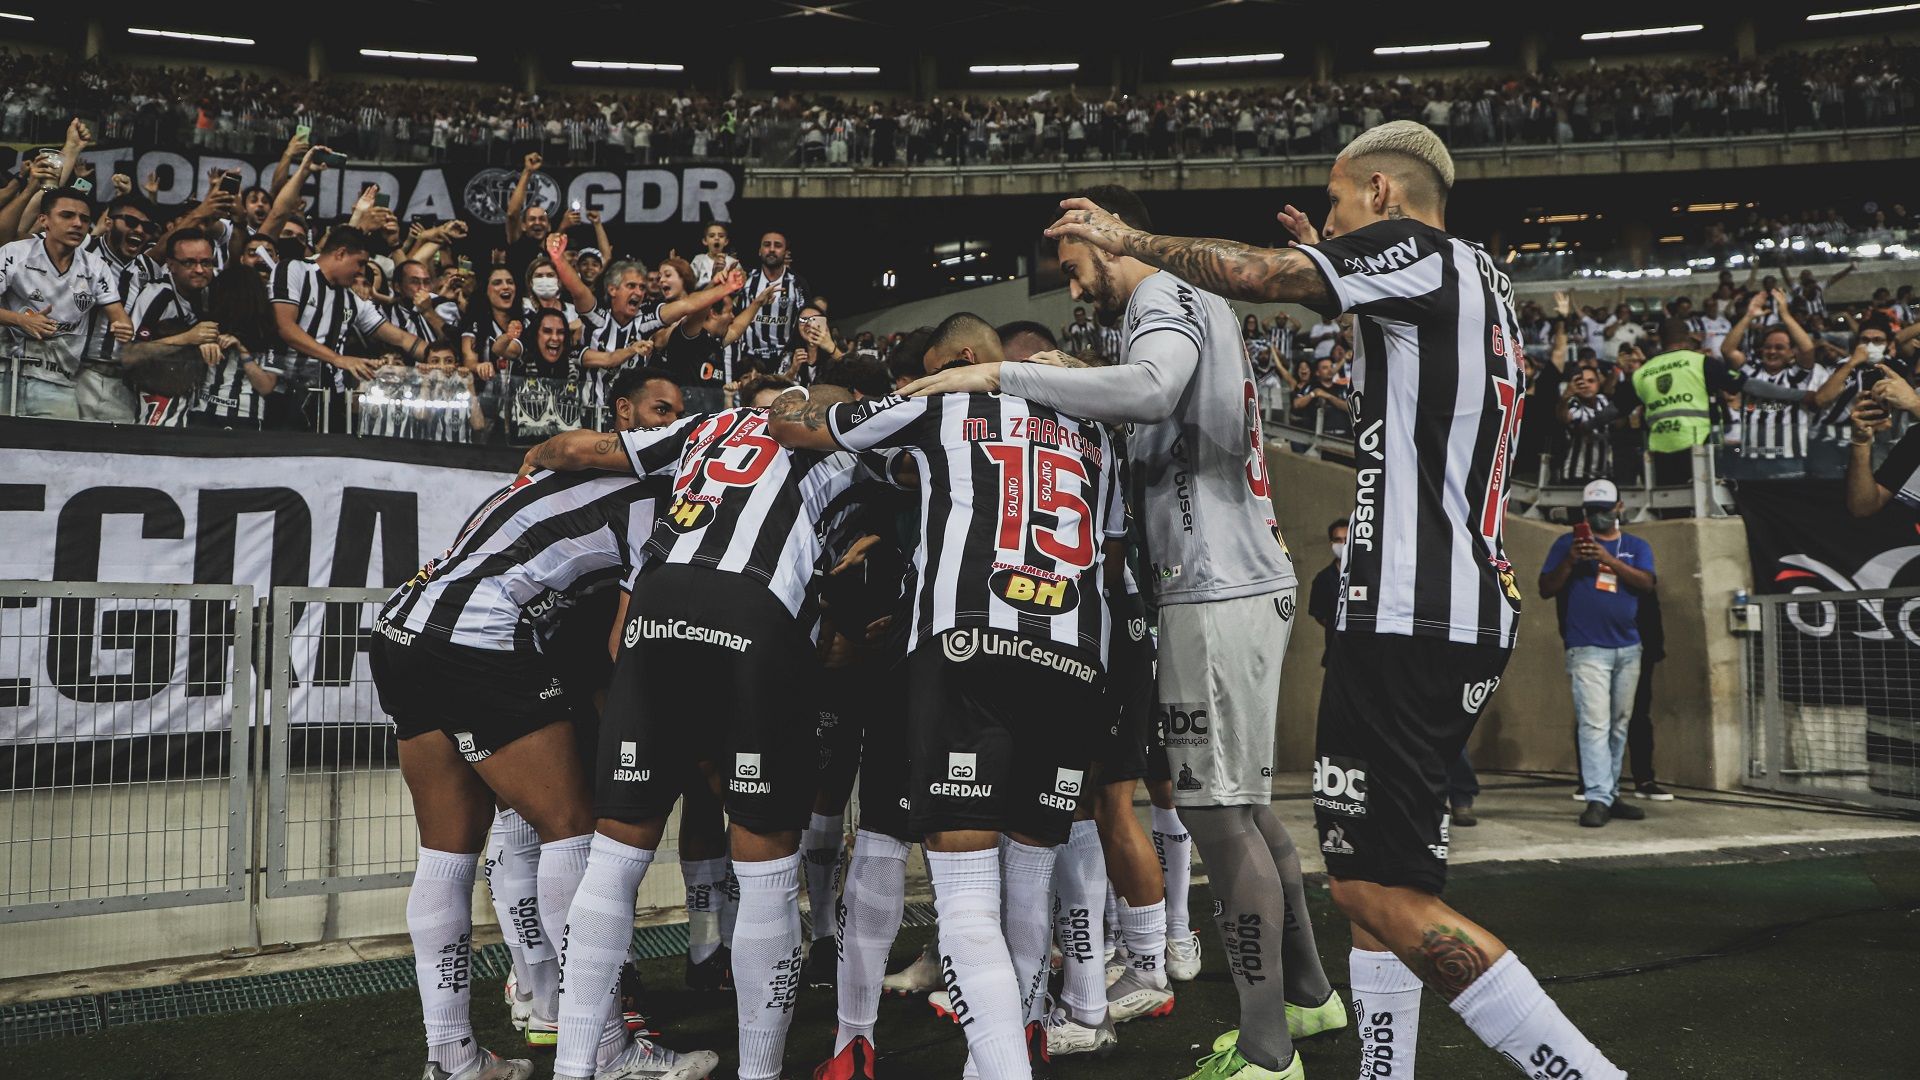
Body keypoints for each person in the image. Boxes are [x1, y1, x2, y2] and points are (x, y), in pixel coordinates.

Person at [1035, 121, 1627, 1080]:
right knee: (1374, 881)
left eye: (1341, 203)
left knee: (1373, 893)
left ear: (1384, 195)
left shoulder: (1420, 252)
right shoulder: (1474, 275)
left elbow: (1262, 276)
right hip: (1440, 602)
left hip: (1410, 609)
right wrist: (1334, 266)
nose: (1334, 221)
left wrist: (1126, 236)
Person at [908, 183, 1337, 1080]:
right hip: (1229, 579)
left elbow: (1150, 390)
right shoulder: (1181, 304)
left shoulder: (1163, 294)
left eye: (1073, 267)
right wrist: (1069, 376)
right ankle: (1309, 995)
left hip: (1213, 586)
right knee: (1247, 810)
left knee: (1217, 819)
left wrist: (999, 375)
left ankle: (1267, 1051)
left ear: (1109, 237)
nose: (1073, 290)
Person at [768, 311, 1127, 1080]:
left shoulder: (945, 403)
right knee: (1028, 880)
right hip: (1075, 655)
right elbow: (1110, 545)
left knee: (954, 889)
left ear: (962, 360)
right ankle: (1021, 1033)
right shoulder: (1096, 431)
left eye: (928, 369)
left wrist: (794, 396)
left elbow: (804, 426)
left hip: (965, 648)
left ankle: (898, 1047)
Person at [519, 377, 884, 1080]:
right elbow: (874, 552)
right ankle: (759, 1072)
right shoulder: (846, 443)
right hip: (751, 609)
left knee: (614, 855)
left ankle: (573, 1068)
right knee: (766, 864)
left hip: (656, 608)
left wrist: (538, 452)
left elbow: (581, 450)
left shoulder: (711, 425)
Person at [370, 414, 713, 1080]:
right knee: (572, 830)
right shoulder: (664, 504)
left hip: (401, 627)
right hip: (481, 637)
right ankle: (605, 1048)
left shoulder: (563, 474)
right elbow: (623, 644)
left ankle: (452, 1057)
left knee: (445, 852)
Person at [1539, 480, 1657, 828]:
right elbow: (1545, 588)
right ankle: (1596, 797)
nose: (1598, 517)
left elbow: (1647, 583)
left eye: (1604, 510)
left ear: (1620, 507)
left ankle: (1610, 793)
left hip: (1628, 647)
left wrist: (1607, 560)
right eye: (1591, 511)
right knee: (1594, 724)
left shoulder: (1635, 545)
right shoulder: (1567, 544)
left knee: (1619, 725)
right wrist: (1570, 561)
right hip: (1587, 646)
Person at [266, 225, 426, 432]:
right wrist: (338, 359)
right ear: (341, 254)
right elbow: (285, 327)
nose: (361, 271)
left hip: (329, 395)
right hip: (284, 389)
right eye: (360, 263)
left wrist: (435, 356)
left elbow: (402, 338)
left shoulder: (352, 299)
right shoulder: (294, 269)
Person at [0, 186, 133, 419]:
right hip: (5, 373)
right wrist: (21, 320)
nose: (78, 224)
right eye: (67, 215)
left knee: (62, 442)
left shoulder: (96, 267)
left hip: (58, 381)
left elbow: (119, 316)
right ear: (44, 220)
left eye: (84, 219)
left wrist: (123, 327)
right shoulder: (14, 254)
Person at [1846, 365, 1920, 518]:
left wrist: (1915, 403)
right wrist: (1861, 443)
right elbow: (1863, 506)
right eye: (1918, 381)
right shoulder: (1916, 436)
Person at [735, 231, 807, 376]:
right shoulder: (746, 280)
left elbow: (805, 320)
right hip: (750, 358)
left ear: (786, 252)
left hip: (783, 358)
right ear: (760, 251)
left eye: (778, 245)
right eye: (767, 245)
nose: (772, 249)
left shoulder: (797, 283)